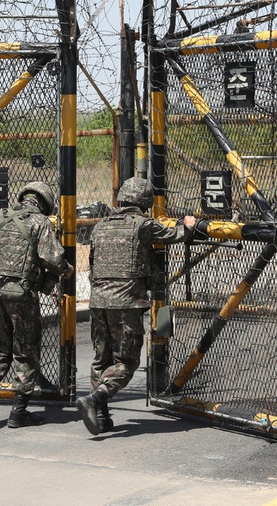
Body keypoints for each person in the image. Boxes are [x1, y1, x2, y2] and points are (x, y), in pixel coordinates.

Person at [76, 177, 196, 435]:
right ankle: (95, 399)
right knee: (127, 361)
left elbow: (93, 265)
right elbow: (174, 234)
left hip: (98, 301)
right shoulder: (142, 225)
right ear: (144, 202)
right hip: (127, 301)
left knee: (101, 359)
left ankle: (101, 416)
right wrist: (187, 225)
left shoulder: (100, 226)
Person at [0, 181, 74, 428]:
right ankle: (19, 412)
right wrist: (67, 270)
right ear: (44, 203)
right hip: (21, 295)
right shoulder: (40, 223)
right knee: (25, 351)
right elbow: (51, 258)